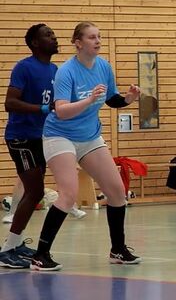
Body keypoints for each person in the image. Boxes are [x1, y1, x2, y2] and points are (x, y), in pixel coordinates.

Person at [30, 21, 142, 271]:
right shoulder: (67, 71)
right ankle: (41, 255)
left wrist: (128, 99)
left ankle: (118, 250)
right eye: (92, 37)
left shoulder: (103, 66)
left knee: (116, 192)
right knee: (68, 194)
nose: (98, 41)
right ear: (78, 43)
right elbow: (61, 111)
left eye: (99, 36)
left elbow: (111, 99)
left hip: (89, 136)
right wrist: (88, 99)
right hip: (60, 135)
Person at [0, 24, 59, 269]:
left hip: (40, 137)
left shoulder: (56, 69)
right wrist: (42, 109)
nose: (54, 38)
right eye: (48, 35)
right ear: (35, 43)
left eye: (53, 34)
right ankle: (6, 250)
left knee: (31, 191)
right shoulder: (25, 67)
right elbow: (10, 103)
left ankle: (16, 243)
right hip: (21, 137)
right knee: (34, 191)